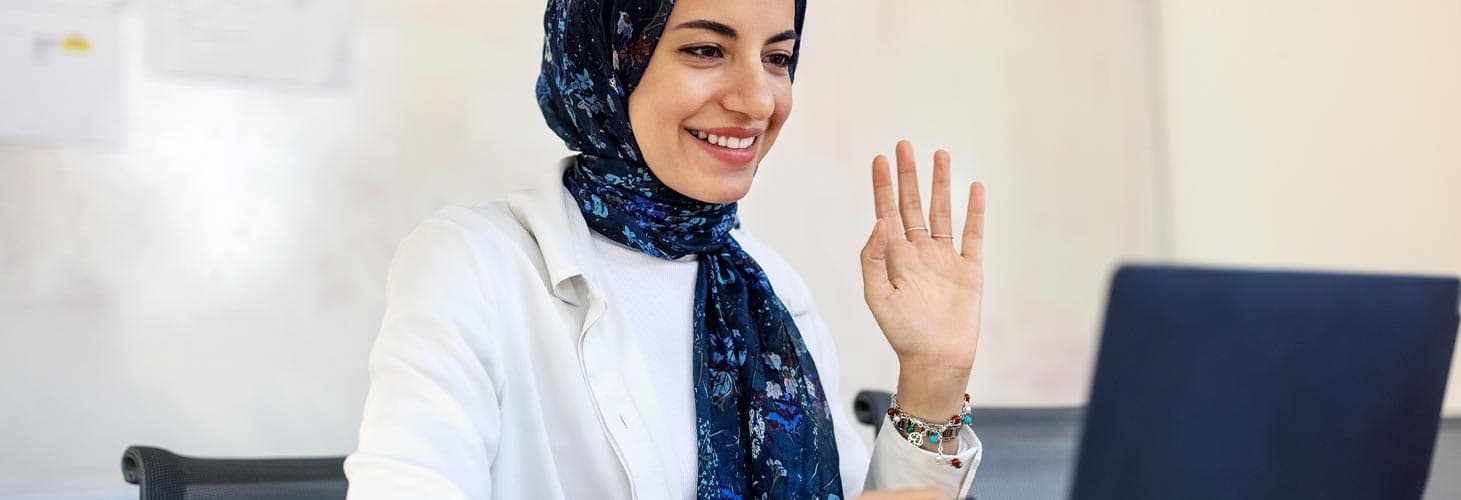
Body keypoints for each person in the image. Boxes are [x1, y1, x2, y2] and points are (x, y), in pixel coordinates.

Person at [343, 0, 989, 498]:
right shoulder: (471, 269)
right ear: (609, 54)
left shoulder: (774, 295)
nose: (758, 99)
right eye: (707, 49)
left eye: (778, 58)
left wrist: (934, 379)